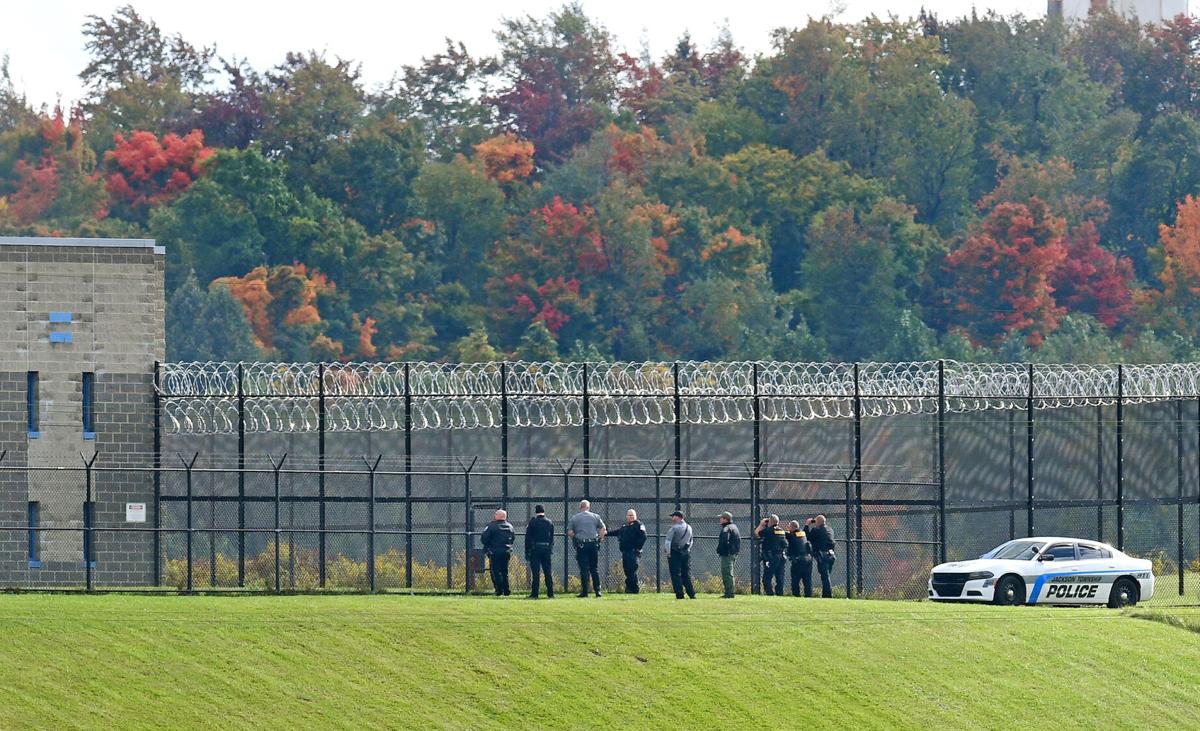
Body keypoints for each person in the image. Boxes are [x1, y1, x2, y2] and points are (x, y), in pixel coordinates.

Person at [566, 499, 606, 597]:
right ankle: (597, 591)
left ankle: (585, 591)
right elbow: (603, 528)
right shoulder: (596, 517)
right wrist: (600, 539)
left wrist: (575, 539)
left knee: (584, 569)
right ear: (588, 507)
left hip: (582, 545)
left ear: (580, 507)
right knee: (594, 568)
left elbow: (570, 532)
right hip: (593, 544)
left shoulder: (575, 518)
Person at [605, 508, 647, 593]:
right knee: (627, 570)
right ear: (626, 516)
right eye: (629, 515)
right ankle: (629, 588)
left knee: (632, 569)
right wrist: (606, 533)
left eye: (632, 515)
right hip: (625, 551)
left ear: (635, 516)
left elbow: (643, 536)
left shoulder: (639, 525)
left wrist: (638, 547)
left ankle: (634, 589)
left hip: (633, 552)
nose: (630, 517)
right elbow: (617, 532)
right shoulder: (625, 526)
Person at [480, 509, 515, 596]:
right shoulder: (510, 526)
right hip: (506, 551)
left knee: (496, 571)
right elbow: (513, 538)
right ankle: (506, 590)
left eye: (495, 514)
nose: (494, 516)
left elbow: (484, 538)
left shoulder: (491, 526)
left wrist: (488, 546)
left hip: (494, 552)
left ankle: (499, 590)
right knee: (504, 571)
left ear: (497, 516)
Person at [524, 504, 555, 599]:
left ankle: (535, 593)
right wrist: (550, 548)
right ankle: (550, 593)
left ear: (536, 511)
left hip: (535, 549)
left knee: (536, 572)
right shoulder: (549, 522)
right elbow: (552, 538)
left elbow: (527, 538)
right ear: (544, 511)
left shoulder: (533, 523)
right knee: (547, 571)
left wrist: (527, 551)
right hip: (546, 549)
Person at [664, 510, 696, 599]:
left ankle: (679, 594)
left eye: (673, 516)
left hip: (675, 553)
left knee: (675, 574)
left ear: (678, 517)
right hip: (686, 553)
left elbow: (668, 542)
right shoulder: (689, 527)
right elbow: (691, 541)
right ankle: (691, 593)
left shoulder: (674, 528)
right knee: (686, 573)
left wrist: (668, 553)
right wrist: (687, 550)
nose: (672, 518)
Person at [755, 514, 788, 596]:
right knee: (779, 577)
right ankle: (780, 594)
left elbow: (756, 533)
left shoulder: (769, 530)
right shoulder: (781, 530)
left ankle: (770, 594)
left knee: (767, 578)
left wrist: (761, 524)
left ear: (770, 521)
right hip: (781, 556)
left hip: (771, 557)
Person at [807, 514, 836, 598]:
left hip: (822, 556)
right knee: (826, 576)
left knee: (825, 576)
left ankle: (828, 595)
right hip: (831, 555)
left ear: (818, 522)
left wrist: (807, 525)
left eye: (815, 521)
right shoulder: (830, 529)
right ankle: (825, 594)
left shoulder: (816, 530)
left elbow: (807, 537)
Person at [716, 512, 741, 598]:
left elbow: (725, 541)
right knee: (729, 572)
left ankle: (729, 593)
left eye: (721, 518)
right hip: (733, 553)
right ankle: (729, 592)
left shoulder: (726, 528)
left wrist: (722, 550)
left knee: (727, 573)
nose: (720, 519)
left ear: (725, 519)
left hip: (728, 554)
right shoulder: (734, 527)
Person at [785, 520, 813, 598]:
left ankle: (796, 596)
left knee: (795, 579)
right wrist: (807, 525)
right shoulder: (803, 533)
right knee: (807, 580)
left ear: (793, 527)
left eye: (789, 526)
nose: (788, 528)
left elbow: (783, 533)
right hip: (808, 559)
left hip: (798, 560)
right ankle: (808, 596)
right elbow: (805, 531)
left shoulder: (791, 535)